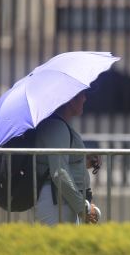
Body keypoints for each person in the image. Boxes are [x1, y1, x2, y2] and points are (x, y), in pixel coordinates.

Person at [35, 91, 101, 225]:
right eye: (81, 94)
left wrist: (83, 160)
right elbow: (59, 172)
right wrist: (83, 208)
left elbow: (62, 163)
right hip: (56, 202)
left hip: (62, 200)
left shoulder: (59, 125)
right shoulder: (56, 127)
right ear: (70, 99)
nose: (85, 98)